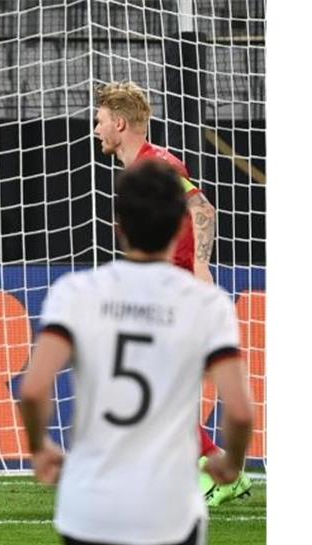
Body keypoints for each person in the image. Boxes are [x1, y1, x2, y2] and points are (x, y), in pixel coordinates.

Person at [18, 161, 253, 545]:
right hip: (166, 507)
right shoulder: (206, 304)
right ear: (180, 224)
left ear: (117, 223)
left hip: (90, 504)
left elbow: (34, 387)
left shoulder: (79, 291)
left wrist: (41, 448)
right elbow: (242, 410)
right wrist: (228, 462)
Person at [93, 80, 252, 508]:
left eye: (101, 120)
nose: (96, 129)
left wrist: (200, 267)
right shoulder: (139, 172)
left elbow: (203, 209)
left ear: (120, 123)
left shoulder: (155, 165)